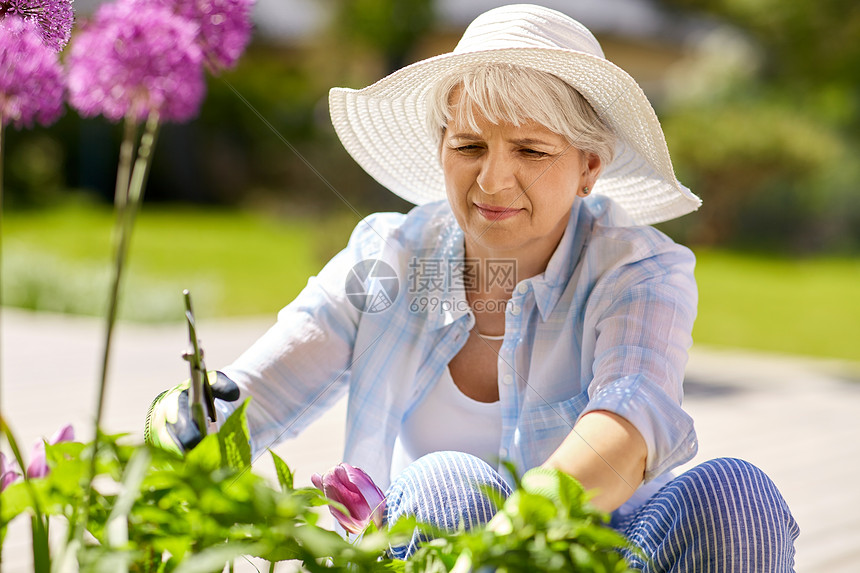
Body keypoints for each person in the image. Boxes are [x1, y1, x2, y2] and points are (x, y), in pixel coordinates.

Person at [146, 4, 798, 570]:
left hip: (602, 553)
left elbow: (630, 422)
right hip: (436, 550)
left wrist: (517, 538)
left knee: (739, 496)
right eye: (469, 146)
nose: (490, 181)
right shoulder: (397, 258)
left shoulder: (633, 268)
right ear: (440, 149)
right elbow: (254, 391)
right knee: (447, 484)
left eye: (531, 151)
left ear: (589, 166)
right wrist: (178, 426)